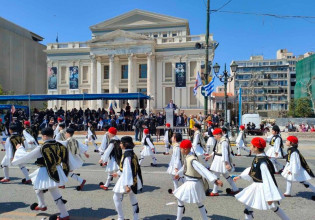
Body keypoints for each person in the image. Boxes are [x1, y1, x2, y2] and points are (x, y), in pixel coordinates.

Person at [12, 127, 70, 220]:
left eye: (42, 136)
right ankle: (43, 205)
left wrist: (19, 148)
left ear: (45, 136)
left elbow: (26, 156)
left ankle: (63, 214)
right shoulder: (60, 145)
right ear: (53, 135)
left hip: (46, 171)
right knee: (39, 187)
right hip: (57, 169)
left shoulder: (42, 148)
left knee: (52, 191)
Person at [233, 137, 289, 220]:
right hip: (257, 185)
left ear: (255, 147)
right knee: (248, 205)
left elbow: (268, 179)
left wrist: (270, 197)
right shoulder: (259, 158)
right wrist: (240, 176)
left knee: (273, 207)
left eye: (251, 145)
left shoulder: (262, 162)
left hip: (262, 187)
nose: (250, 147)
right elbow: (252, 169)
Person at [173, 139, 223, 220]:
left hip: (192, 183)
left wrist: (215, 180)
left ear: (185, 149)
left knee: (181, 199)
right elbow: (185, 167)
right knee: (198, 202)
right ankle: (205, 218)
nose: (181, 150)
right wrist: (178, 174)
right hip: (193, 183)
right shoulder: (189, 157)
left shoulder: (192, 159)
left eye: (181, 149)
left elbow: (203, 170)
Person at [112, 136, 143, 220]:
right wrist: (118, 173)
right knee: (132, 197)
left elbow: (127, 171)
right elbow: (126, 169)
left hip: (127, 180)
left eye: (121, 143)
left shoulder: (127, 155)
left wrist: (127, 185)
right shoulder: (132, 153)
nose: (120, 144)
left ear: (125, 144)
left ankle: (121, 217)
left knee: (116, 197)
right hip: (133, 179)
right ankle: (135, 218)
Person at [206, 128, 239, 196]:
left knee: (217, 175)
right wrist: (210, 155)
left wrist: (226, 163)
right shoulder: (220, 140)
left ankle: (215, 191)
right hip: (219, 159)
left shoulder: (223, 141)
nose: (214, 137)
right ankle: (235, 189)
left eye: (215, 136)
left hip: (220, 160)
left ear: (219, 135)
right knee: (225, 175)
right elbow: (217, 150)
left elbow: (225, 153)